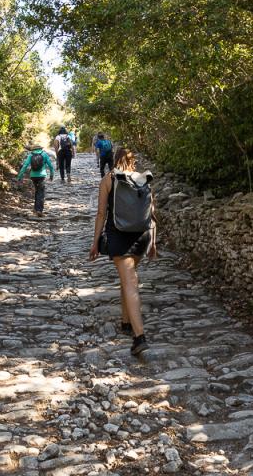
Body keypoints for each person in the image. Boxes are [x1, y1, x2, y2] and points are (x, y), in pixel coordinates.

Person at [89, 147, 156, 355]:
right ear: (132, 161)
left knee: (129, 282)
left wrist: (95, 242)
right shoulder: (142, 178)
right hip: (142, 236)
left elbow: (101, 213)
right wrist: (153, 242)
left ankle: (139, 337)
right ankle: (126, 322)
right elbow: (152, 213)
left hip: (119, 236)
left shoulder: (109, 179)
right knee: (128, 279)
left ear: (115, 160)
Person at [17, 144, 54, 216]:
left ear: (33, 149)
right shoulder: (44, 154)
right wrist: (51, 175)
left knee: (37, 191)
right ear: (40, 148)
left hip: (33, 176)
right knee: (41, 192)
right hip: (42, 176)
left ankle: (35, 209)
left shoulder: (31, 155)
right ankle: (39, 210)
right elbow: (50, 165)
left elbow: (25, 165)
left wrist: (20, 176)